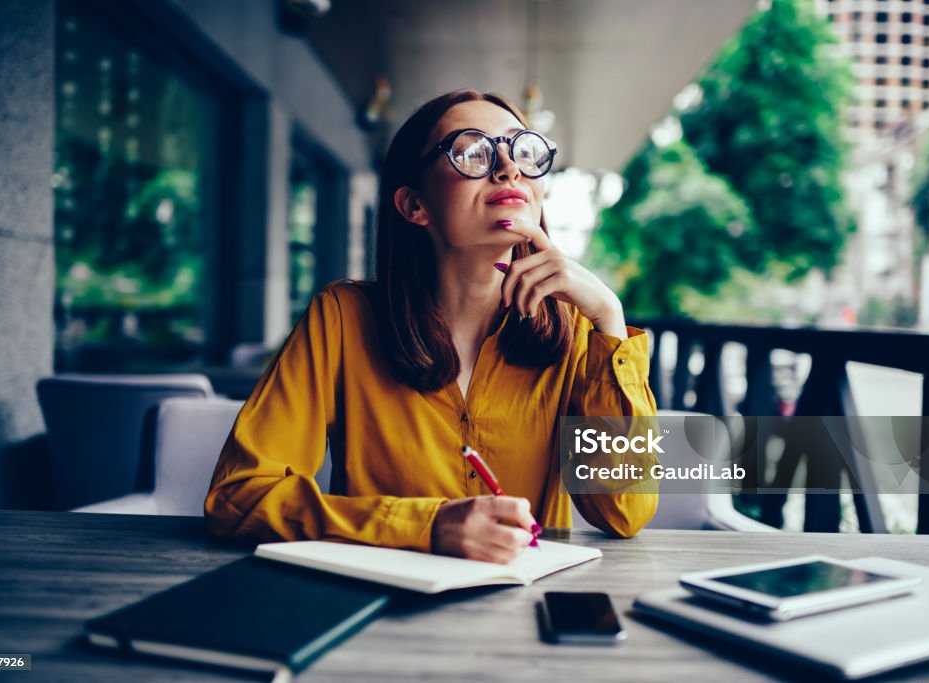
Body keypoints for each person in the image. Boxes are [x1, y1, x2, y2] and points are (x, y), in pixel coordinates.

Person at [205, 90, 658, 564]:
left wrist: (609, 319)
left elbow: (624, 511)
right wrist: (424, 526)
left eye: (521, 148)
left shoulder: (579, 331)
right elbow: (238, 498)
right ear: (414, 205)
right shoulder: (341, 320)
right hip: (376, 609)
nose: (508, 168)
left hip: (527, 613)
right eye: (472, 152)